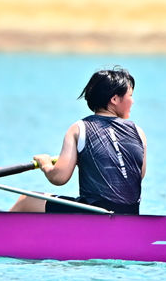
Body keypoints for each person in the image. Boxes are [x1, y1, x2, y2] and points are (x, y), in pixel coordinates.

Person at [10, 67, 146, 214]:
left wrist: (46, 164)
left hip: (93, 214)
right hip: (130, 215)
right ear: (114, 99)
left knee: (26, 200)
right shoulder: (138, 132)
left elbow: (59, 177)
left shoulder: (79, 128)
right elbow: (137, 174)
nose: (133, 101)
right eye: (130, 96)